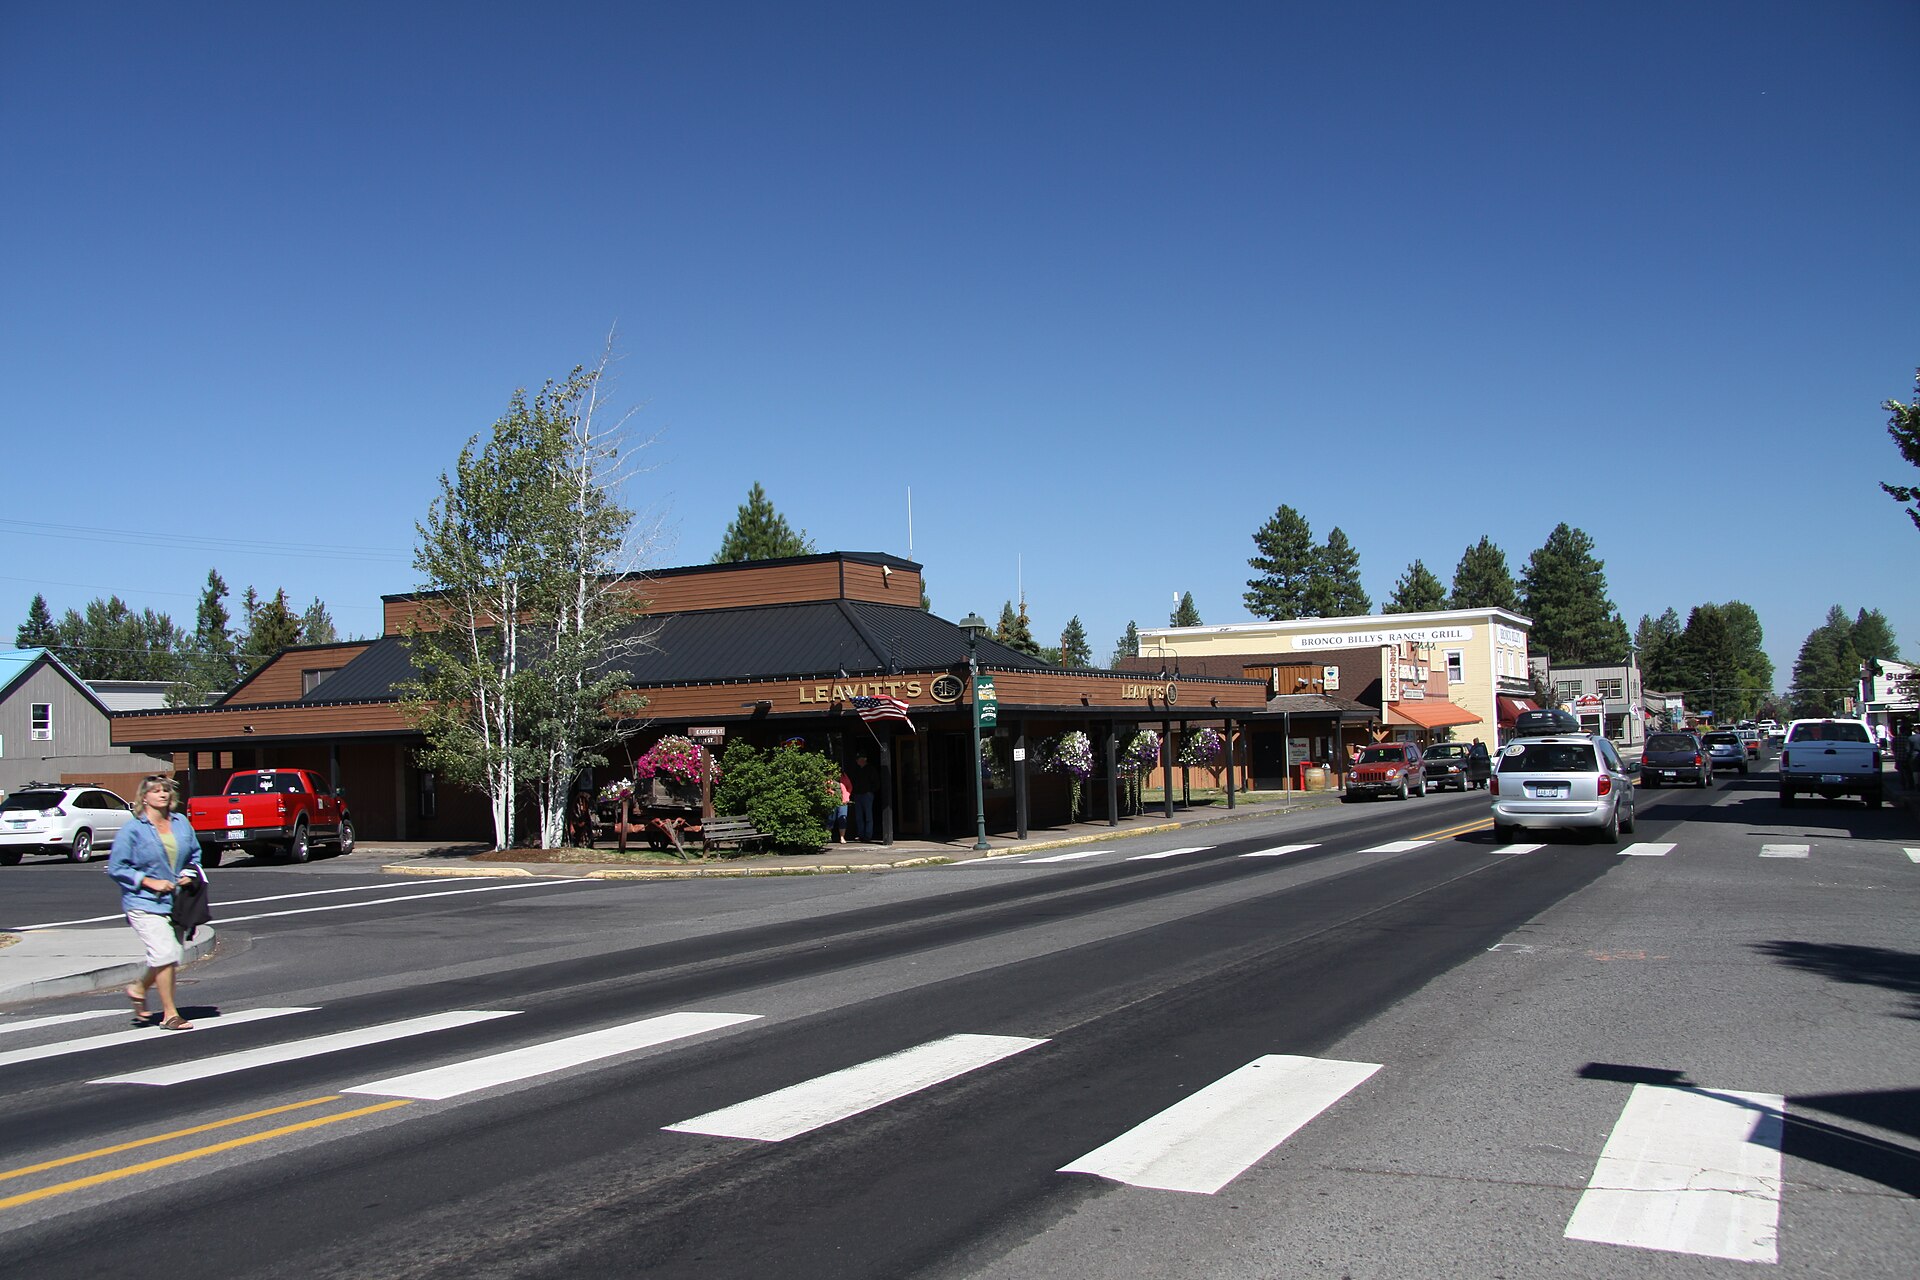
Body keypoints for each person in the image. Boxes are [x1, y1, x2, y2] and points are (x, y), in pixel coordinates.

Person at [106, 775, 203, 1030]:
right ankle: (170, 1015)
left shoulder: (181, 823)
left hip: (176, 901)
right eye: (157, 791)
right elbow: (117, 867)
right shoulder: (133, 829)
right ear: (144, 797)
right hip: (144, 902)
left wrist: (189, 873)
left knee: (170, 955)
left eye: (166, 791)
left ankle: (139, 987)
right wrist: (149, 882)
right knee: (166, 953)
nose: (163, 795)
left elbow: (195, 854)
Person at [848, 751, 878, 842]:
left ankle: (868, 835)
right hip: (857, 795)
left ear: (864, 760)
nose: (857, 761)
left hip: (867, 794)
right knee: (859, 816)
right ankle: (861, 835)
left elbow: (876, 782)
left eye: (859, 759)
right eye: (857, 759)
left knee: (868, 816)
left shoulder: (871, 769)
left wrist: (870, 791)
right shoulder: (856, 770)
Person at [828, 768, 851, 843]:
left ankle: (842, 837)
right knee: (831, 819)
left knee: (843, 818)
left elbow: (849, 786)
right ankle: (828, 836)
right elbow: (825, 787)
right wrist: (831, 792)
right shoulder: (829, 778)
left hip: (843, 801)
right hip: (832, 801)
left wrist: (847, 795)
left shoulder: (844, 776)